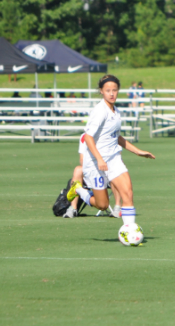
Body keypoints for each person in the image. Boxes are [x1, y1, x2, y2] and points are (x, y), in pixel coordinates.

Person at [66, 75, 155, 228]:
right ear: (101, 91)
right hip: (95, 163)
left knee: (128, 194)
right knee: (102, 205)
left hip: (113, 159)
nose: (112, 93)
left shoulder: (116, 111)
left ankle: (130, 230)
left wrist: (138, 151)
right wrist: (100, 159)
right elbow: (88, 137)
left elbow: (117, 137)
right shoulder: (100, 111)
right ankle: (79, 189)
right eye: (108, 90)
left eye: (114, 90)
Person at [64, 133, 122, 218]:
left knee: (115, 170)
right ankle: (73, 208)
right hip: (91, 172)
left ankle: (117, 207)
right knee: (78, 170)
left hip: (107, 172)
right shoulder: (85, 136)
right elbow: (82, 160)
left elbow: (117, 158)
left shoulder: (111, 135)